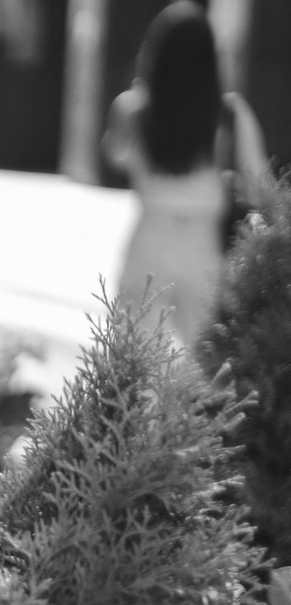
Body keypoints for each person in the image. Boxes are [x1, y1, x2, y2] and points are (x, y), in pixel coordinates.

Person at [106, 1, 271, 350]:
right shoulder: (229, 114)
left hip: (149, 239)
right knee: (206, 368)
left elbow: (115, 156)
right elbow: (260, 188)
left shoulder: (132, 109)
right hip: (202, 245)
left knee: (135, 365)